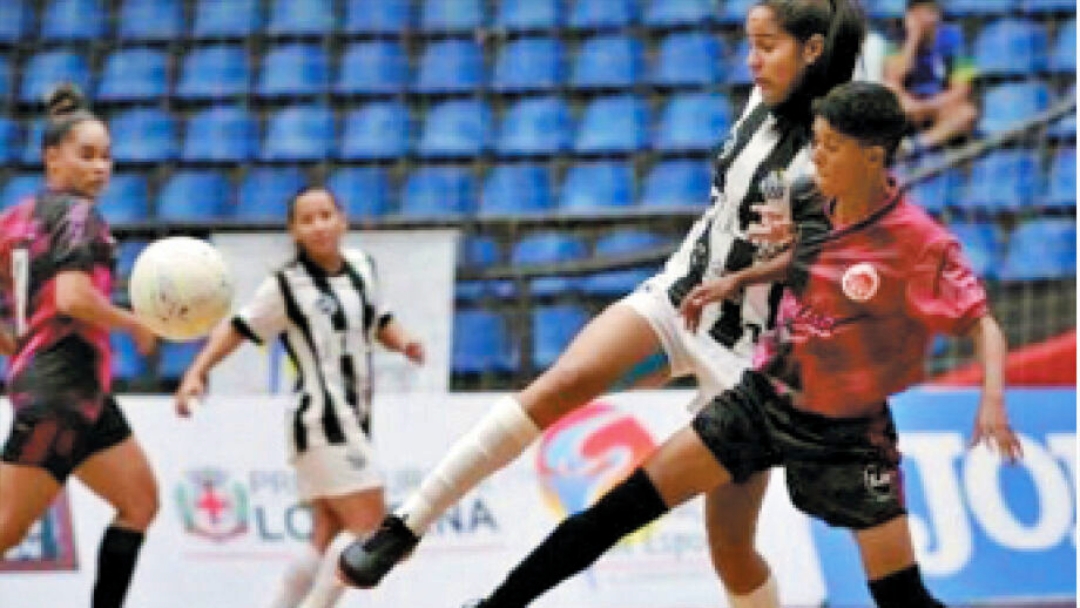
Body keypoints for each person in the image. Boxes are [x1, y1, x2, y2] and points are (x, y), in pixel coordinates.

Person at [340, 2, 867, 606]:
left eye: (766, 46)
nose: (751, 60)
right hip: (679, 297)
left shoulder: (846, 148)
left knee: (730, 549)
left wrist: (807, 245)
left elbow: (856, 271)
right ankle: (406, 523)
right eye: (750, 43)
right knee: (563, 381)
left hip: (752, 363)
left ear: (813, 50)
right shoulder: (761, 102)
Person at [458, 81, 1021, 608]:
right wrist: (739, 280)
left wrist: (992, 403)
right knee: (616, 512)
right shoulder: (818, 200)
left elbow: (983, 324)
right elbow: (808, 257)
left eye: (829, 147)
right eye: (815, 142)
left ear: (872, 157)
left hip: (847, 435)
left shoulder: (917, 241)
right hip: (763, 398)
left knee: (901, 598)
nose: (816, 156)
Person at [173, 187, 425, 608]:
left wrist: (403, 343)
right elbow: (237, 327)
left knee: (326, 533)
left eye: (326, 215)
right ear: (293, 230)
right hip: (321, 421)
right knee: (376, 535)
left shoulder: (363, 267)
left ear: (342, 220)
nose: (319, 225)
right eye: (307, 219)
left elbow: (379, 318)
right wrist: (196, 373)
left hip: (354, 417)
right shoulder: (286, 286)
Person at [0, 84, 159, 608]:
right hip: (62, 389)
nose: (100, 168)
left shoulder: (17, 217)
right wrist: (133, 323)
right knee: (5, 530)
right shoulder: (78, 216)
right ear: (52, 157)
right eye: (86, 155)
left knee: (139, 501)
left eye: (107, 157)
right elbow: (72, 297)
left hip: (77, 391)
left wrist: (14, 343)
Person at [884, 0, 978, 153]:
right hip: (908, 107)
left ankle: (913, 146)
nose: (925, 18)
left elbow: (962, 89)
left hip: (939, 105)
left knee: (967, 114)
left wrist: (927, 107)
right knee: (888, 95)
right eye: (918, 13)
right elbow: (893, 79)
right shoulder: (897, 37)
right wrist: (913, 40)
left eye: (930, 11)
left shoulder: (955, 39)